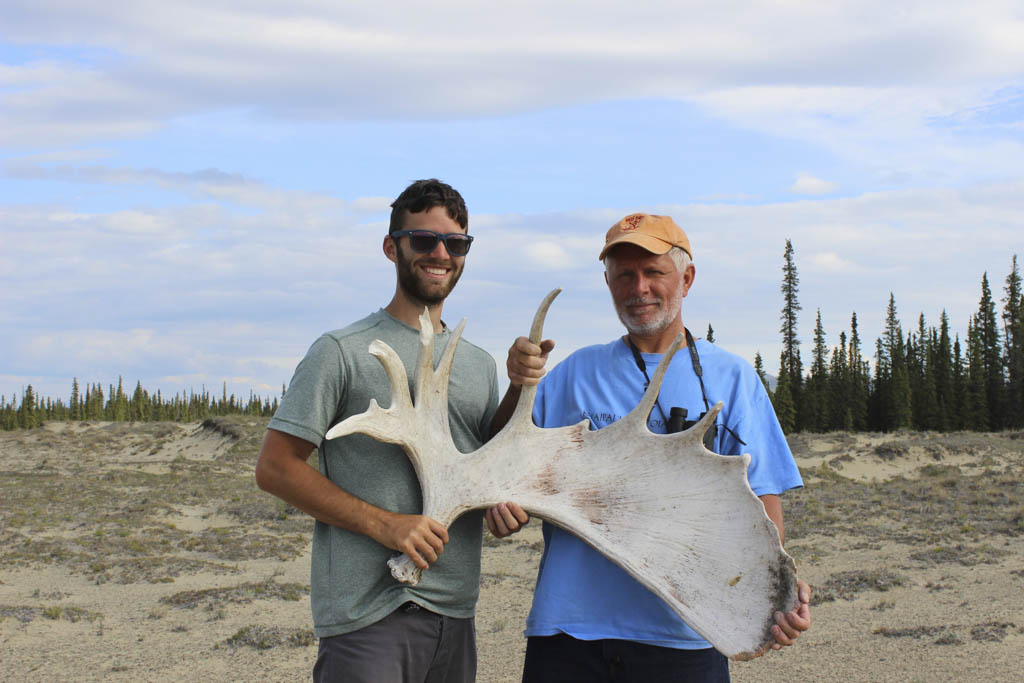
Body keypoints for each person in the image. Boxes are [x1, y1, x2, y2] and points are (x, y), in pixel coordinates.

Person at [492, 213, 811, 683]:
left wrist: (773, 588)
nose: (638, 287)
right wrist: (519, 387)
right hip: (569, 634)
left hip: (685, 632)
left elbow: (762, 501)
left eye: (653, 272)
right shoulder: (576, 373)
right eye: (624, 274)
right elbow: (502, 458)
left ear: (687, 278)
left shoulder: (733, 379)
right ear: (608, 283)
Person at [255, 178, 528, 683]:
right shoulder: (341, 351)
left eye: (456, 243)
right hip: (369, 617)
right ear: (391, 246)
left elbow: (481, 463)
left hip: (456, 612)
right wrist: (387, 525)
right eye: (424, 240)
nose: (440, 253)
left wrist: (515, 390)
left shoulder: (477, 364)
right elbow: (275, 468)